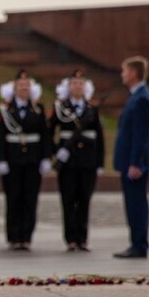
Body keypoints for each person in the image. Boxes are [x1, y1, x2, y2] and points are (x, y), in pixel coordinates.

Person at [0, 70, 51, 251]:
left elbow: (45, 135)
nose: (24, 88)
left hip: (32, 159)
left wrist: (45, 157)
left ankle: (26, 236)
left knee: (30, 199)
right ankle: (13, 236)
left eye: (27, 86)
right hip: (12, 159)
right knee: (13, 199)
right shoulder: (5, 109)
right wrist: (0, 159)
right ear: (14, 88)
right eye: (20, 85)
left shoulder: (38, 108)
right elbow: (0, 135)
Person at [51, 68, 105, 252]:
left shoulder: (92, 108)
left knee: (84, 199)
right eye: (74, 83)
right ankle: (70, 239)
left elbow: (100, 137)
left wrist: (99, 163)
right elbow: (50, 132)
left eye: (81, 84)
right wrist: (56, 152)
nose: (77, 86)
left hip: (87, 160)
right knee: (68, 199)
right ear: (68, 86)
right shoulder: (60, 107)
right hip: (68, 161)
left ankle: (82, 238)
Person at [113, 56, 149, 258]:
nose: (122, 74)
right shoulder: (136, 96)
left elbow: (141, 134)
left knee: (136, 204)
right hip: (130, 161)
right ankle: (136, 242)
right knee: (133, 203)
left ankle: (139, 244)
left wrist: (136, 163)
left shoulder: (142, 99)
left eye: (124, 71)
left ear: (134, 73)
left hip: (135, 164)